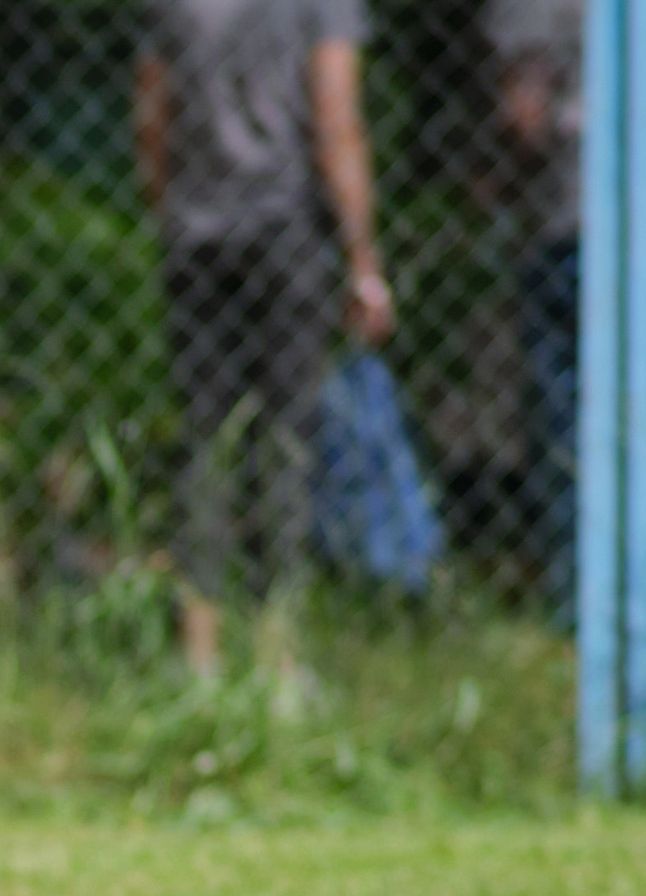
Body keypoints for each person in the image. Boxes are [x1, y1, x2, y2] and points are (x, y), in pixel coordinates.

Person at [137, 0, 396, 598]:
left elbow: (151, 116)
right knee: (285, 434)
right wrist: (363, 262)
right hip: (288, 233)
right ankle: (278, 640)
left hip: (196, 235)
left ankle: (199, 638)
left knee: (205, 437)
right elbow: (336, 121)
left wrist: (169, 212)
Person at [486, 0, 646, 596]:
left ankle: (585, 593)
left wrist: (497, 173)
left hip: (591, 200)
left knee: (571, 406)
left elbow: (525, 112)